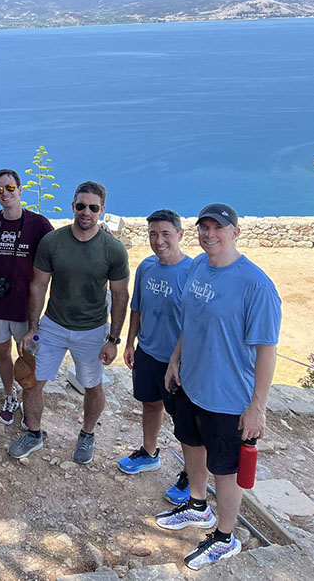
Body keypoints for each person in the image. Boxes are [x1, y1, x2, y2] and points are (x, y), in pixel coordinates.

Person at [157, 203, 281, 571]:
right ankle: (197, 505)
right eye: (204, 228)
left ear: (235, 232)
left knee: (226, 469)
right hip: (192, 384)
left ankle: (225, 537)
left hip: (228, 399)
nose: (210, 234)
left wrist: (257, 407)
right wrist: (175, 359)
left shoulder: (256, 285)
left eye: (218, 228)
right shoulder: (197, 265)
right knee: (191, 443)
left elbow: (266, 351)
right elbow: (189, 320)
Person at [10, 181, 130, 464]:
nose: (85, 212)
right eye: (80, 206)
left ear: (102, 210)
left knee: (92, 385)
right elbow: (39, 285)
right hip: (53, 325)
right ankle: (34, 432)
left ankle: (87, 434)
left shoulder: (113, 250)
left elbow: (121, 295)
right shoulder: (53, 242)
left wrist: (113, 340)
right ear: (73, 206)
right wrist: (33, 327)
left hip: (92, 329)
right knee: (32, 382)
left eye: (92, 207)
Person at [117, 209, 193, 506]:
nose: (158, 240)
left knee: (185, 421)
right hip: (148, 353)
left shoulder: (193, 271)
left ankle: (190, 476)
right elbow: (136, 307)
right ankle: (149, 454)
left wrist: (179, 360)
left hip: (178, 361)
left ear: (180, 235)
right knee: (150, 405)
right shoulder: (146, 267)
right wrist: (130, 341)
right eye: (152, 234)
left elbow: (195, 322)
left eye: (165, 234)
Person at [0, 169, 53, 425]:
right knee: (2, 353)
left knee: (28, 356)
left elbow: (58, 251)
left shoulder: (39, 224)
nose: (5, 193)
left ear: (20, 190)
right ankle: (9, 395)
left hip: (25, 306)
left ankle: (28, 398)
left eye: (10, 188)